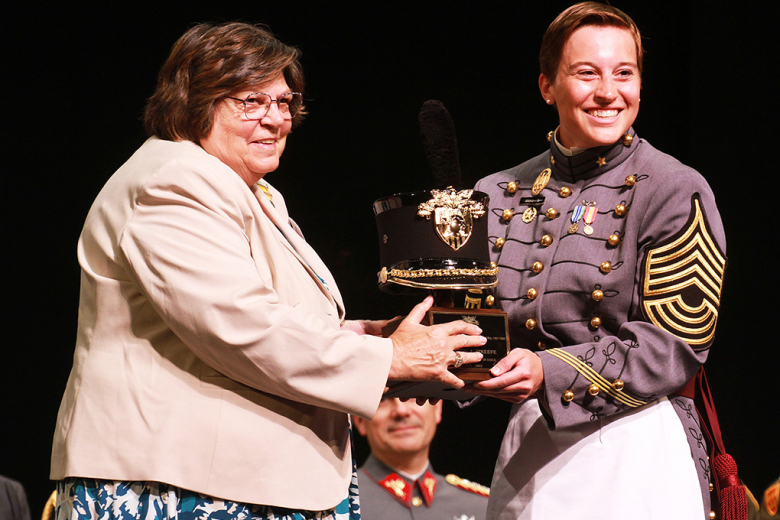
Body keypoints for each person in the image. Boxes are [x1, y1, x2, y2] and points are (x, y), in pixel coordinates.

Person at [50, 22, 486, 520]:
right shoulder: (175, 180)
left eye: (283, 102)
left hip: (237, 481)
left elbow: (259, 315)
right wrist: (388, 358)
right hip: (179, 486)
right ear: (194, 103)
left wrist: (365, 336)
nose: (276, 119)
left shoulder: (249, 190)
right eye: (251, 102)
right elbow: (238, 325)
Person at [468, 3, 726, 519]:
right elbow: (476, 321)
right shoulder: (496, 192)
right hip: (529, 445)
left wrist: (547, 372)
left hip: (639, 449)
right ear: (547, 86)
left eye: (623, 73)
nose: (608, 92)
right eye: (587, 73)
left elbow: (675, 345)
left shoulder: (675, 188)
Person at [352, 398, 489, 520]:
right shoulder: (343, 506)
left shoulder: (482, 507)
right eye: (383, 399)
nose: (401, 411)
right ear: (359, 420)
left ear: (437, 408)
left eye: (415, 396)